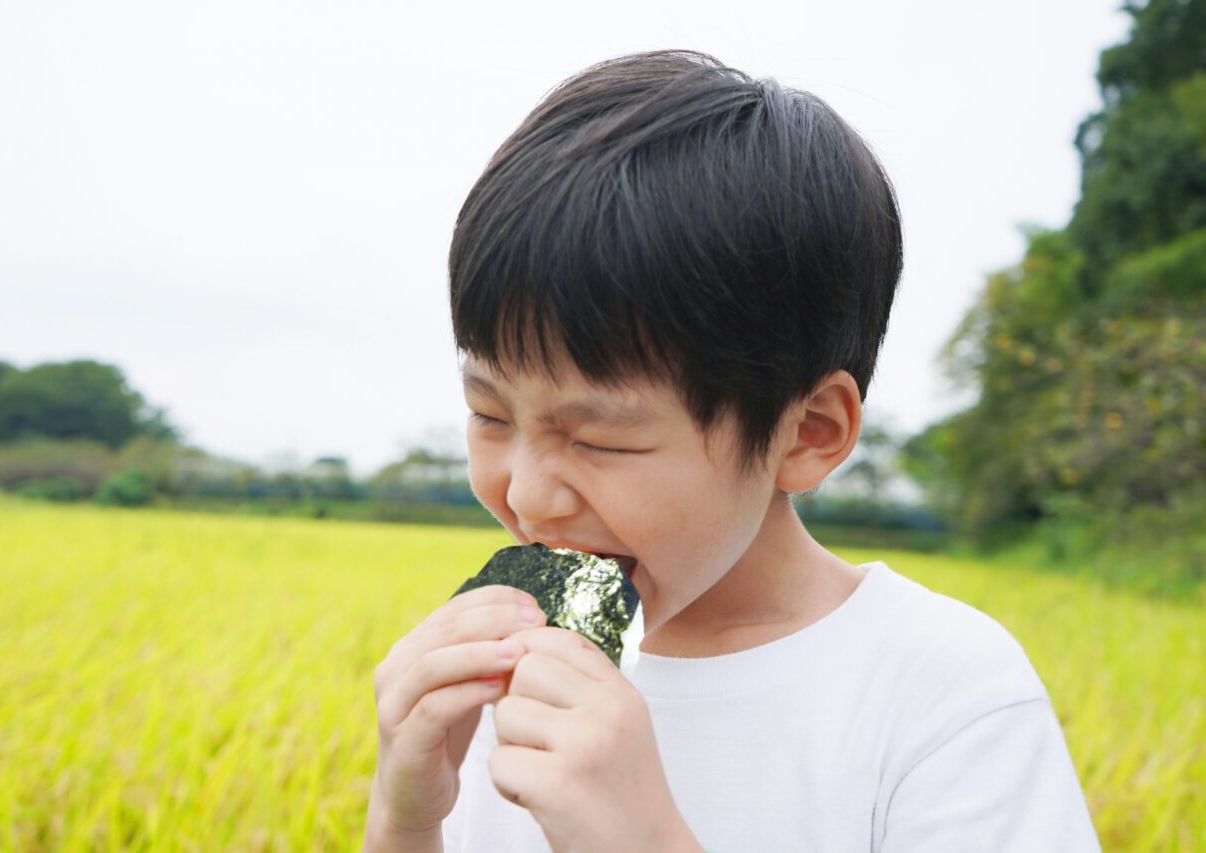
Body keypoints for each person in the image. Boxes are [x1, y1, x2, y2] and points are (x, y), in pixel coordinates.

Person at [363, 49, 1100, 852]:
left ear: (808, 432)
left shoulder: (946, 696)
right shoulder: (502, 673)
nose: (530, 495)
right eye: (490, 414)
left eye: (599, 437)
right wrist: (406, 816)